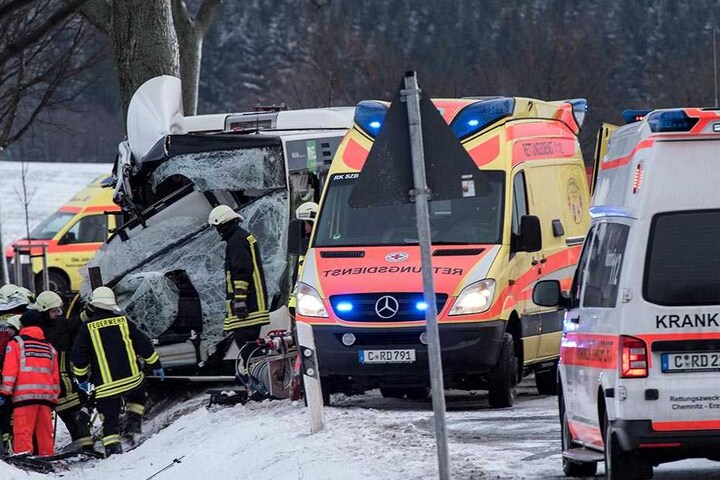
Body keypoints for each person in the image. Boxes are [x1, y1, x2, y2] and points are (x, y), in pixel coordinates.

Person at [71, 287, 164, 457]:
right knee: (138, 397)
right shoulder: (123, 321)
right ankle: (133, 424)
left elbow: (78, 357)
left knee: (110, 420)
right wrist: (156, 364)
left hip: (106, 388)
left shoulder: (86, 328)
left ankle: (113, 452)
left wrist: (82, 378)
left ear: (95, 305)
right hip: (133, 380)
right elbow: (143, 343)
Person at [33, 291, 93, 452]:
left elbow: (78, 320)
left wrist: (93, 308)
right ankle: (82, 443)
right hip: (52, 382)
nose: (57, 313)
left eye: (58, 310)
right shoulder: (38, 331)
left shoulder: (60, 324)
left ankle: (83, 442)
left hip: (64, 380)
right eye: (54, 311)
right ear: (44, 311)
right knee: (69, 413)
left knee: (75, 412)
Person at [208, 205, 270, 350]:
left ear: (224, 224)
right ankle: (255, 372)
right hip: (253, 305)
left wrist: (240, 300)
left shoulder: (236, 241)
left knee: (248, 352)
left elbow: (242, 270)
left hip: (248, 308)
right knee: (251, 351)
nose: (218, 231)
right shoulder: (241, 237)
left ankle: (255, 373)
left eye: (218, 227)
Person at [0, 310, 60, 456]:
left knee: (23, 431)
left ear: (23, 324)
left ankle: (24, 458)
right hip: (45, 398)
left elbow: (10, 372)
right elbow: (55, 377)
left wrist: (5, 393)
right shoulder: (49, 348)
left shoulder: (16, 344)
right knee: (45, 432)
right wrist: (53, 398)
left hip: (24, 397)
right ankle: (47, 457)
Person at [0, 314, 21, 454]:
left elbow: (10, 368)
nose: (9, 332)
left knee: (9, 417)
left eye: (11, 329)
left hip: (15, 389)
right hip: (14, 389)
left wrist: (5, 392)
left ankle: (10, 446)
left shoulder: (14, 345)